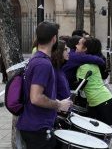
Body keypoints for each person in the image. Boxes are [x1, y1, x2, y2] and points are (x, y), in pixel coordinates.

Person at [16, 21, 72, 149]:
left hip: (36, 126)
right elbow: (35, 98)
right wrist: (59, 104)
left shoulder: (38, 59)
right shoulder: (43, 64)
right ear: (54, 39)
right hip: (38, 128)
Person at [76, 37, 112, 149]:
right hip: (95, 102)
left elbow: (79, 86)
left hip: (103, 101)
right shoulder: (90, 63)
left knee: (111, 129)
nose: (75, 47)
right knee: (96, 131)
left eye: (79, 45)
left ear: (85, 49)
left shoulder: (86, 66)